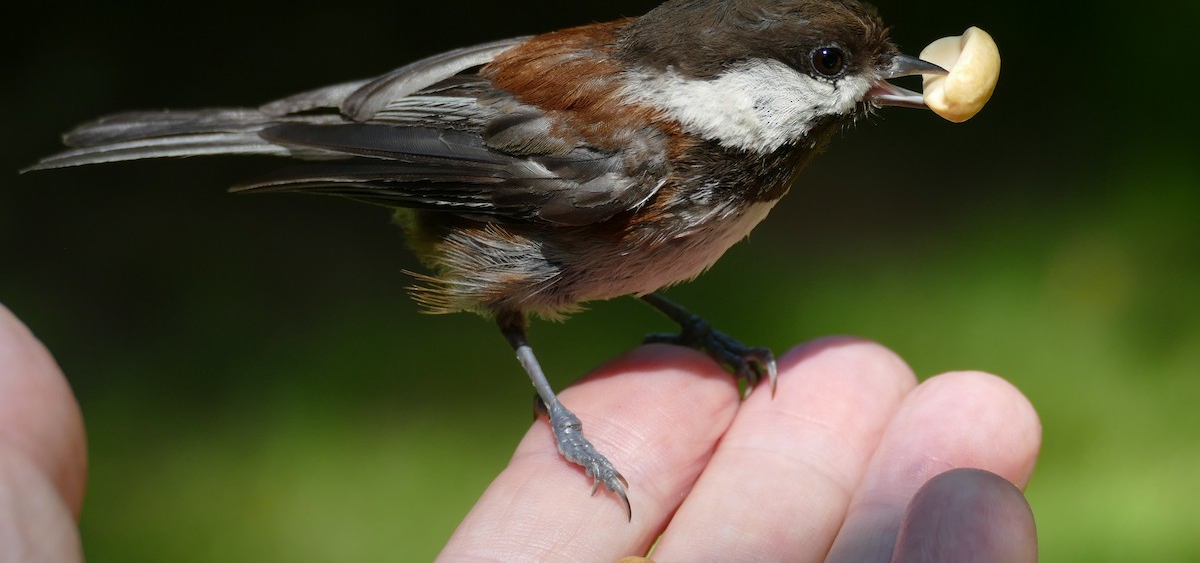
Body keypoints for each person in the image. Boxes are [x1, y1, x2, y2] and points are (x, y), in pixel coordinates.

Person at [0, 303, 1039, 561]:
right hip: (492, 217)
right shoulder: (646, 141)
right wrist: (571, 425)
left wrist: (698, 330)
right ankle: (564, 416)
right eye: (826, 65)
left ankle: (688, 333)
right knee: (525, 306)